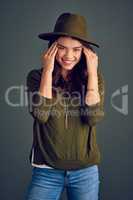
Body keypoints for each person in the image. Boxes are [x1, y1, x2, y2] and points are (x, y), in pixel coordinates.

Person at [25, 12, 105, 200]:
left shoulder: (94, 79)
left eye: (76, 49)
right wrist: (48, 70)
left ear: (85, 52)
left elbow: (93, 117)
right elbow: (41, 114)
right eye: (62, 48)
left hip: (85, 173)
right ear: (52, 48)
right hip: (46, 171)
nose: (69, 55)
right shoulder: (36, 77)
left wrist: (92, 74)